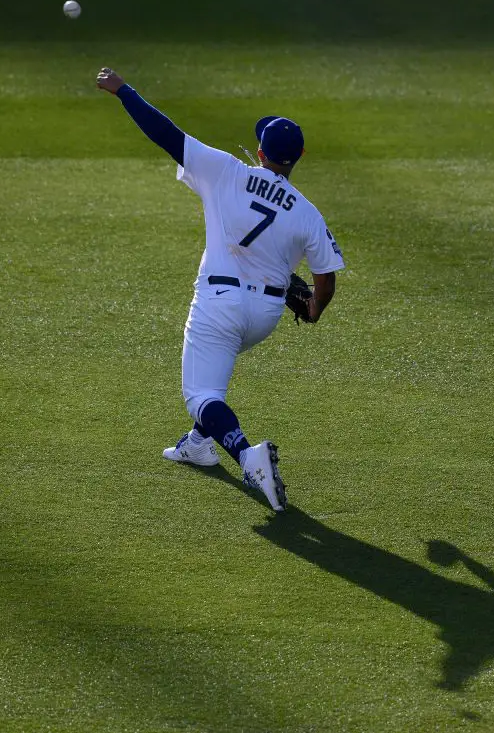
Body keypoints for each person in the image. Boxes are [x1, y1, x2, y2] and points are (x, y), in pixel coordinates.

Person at [96, 67, 344, 512]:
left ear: (260, 151)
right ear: (299, 155)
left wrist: (123, 91)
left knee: (201, 396)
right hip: (263, 317)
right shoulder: (309, 213)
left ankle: (249, 458)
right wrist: (312, 309)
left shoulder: (227, 170)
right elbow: (325, 281)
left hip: (218, 303)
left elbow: (167, 135)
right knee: (217, 370)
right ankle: (197, 445)